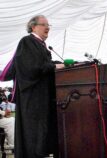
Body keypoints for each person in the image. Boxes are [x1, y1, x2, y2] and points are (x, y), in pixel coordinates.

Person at [3, 15, 63, 158]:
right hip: (32, 98)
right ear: (33, 26)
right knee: (33, 134)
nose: (47, 27)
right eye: (44, 24)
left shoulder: (40, 45)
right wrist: (54, 66)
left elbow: (43, 65)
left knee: (41, 133)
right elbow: (31, 68)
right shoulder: (27, 42)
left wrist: (60, 65)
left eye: (49, 25)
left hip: (42, 97)